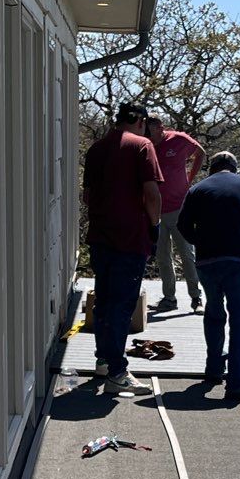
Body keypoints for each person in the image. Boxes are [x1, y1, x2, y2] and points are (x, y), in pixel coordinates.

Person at [177, 150, 240, 400]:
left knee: (214, 313)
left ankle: (213, 370)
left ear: (212, 168)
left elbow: (182, 226)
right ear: (235, 167)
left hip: (208, 262)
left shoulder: (198, 189)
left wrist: (202, 242)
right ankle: (238, 382)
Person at [82, 101, 162, 393]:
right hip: (130, 238)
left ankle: (104, 360)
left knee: (104, 300)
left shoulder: (96, 149)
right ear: (140, 121)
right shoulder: (142, 146)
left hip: (101, 237)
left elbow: (88, 196)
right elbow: (152, 194)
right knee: (122, 304)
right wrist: (154, 227)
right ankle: (117, 371)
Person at [143, 109, 204, 313]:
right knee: (162, 256)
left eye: (152, 132)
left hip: (179, 208)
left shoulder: (178, 139)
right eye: (146, 133)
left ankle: (196, 298)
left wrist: (190, 178)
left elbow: (200, 153)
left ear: (161, 128)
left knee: (187, 254)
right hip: (156, 210)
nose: (149, 137)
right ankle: (169, 298)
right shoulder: (146, 147)